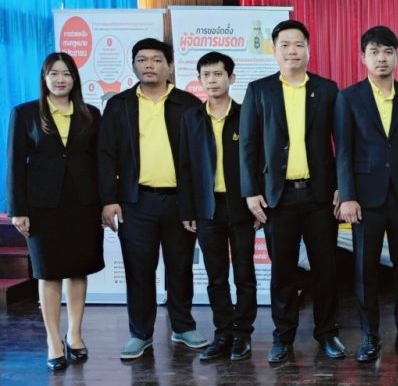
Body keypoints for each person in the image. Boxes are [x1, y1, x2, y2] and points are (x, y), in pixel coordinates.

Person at [240, 19, 342, 365]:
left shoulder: (327, 90)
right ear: (274, 50)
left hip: (319, 196)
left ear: (309, 50)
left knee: (325, 269)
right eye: (285, 45)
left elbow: (342, 144)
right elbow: (248, 146)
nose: (292, 51)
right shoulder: (259, 90)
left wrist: (342, 187)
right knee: (282, 271)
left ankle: (327, 333)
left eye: (299, 44)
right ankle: (283, 337)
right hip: (277, 198)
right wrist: (251, 191)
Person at [98, 38, 207, 360]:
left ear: (169, 66)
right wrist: (109, 199)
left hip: (179, 202)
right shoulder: (119, 105)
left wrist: (196, 204)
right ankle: (140, 334)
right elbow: (105, 155)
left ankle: (182, 326)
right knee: (138, 270)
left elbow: (201, 158)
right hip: (136, 202)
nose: (149, 65)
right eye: (142, 59)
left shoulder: (189, 104)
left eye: (157, 60)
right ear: (133, 65)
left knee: (180, 267)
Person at [7, 53, 103, 371]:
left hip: (83, 204)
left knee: (78, 270)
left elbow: (100, 162)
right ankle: (52, 340)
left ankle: (74, 334)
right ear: (44, 78)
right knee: (48, 273)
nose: (60, 79)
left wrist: (106, 201)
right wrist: (17, 209)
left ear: (75, 78)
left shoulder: (91, 114)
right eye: (54, 73)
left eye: (66, 74)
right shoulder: (24, 113)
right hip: (41, 206)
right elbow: (14, 164)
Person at [336, 25, 398, 363]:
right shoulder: (349, 97)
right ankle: (370, 335)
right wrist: (347, 195)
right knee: (365, 270)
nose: (381, 58)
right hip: (365, 199)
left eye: (388, 51)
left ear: (397, 56)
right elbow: (344, 149)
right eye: (374, 52)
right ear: (363, 57)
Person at [178, 52, 259, 362]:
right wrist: (188, 210)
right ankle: (223, 332)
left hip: (241, 206)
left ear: (231, 78)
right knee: (216, 277)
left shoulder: (246, 115)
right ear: (199, 80)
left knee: (244, 274)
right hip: (206, 208)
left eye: (218, 74)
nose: (212, 80)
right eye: (206, 75)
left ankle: (243, 333)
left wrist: (257, 202)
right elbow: (185, 166)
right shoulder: (191, 118)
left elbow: (258, 160)